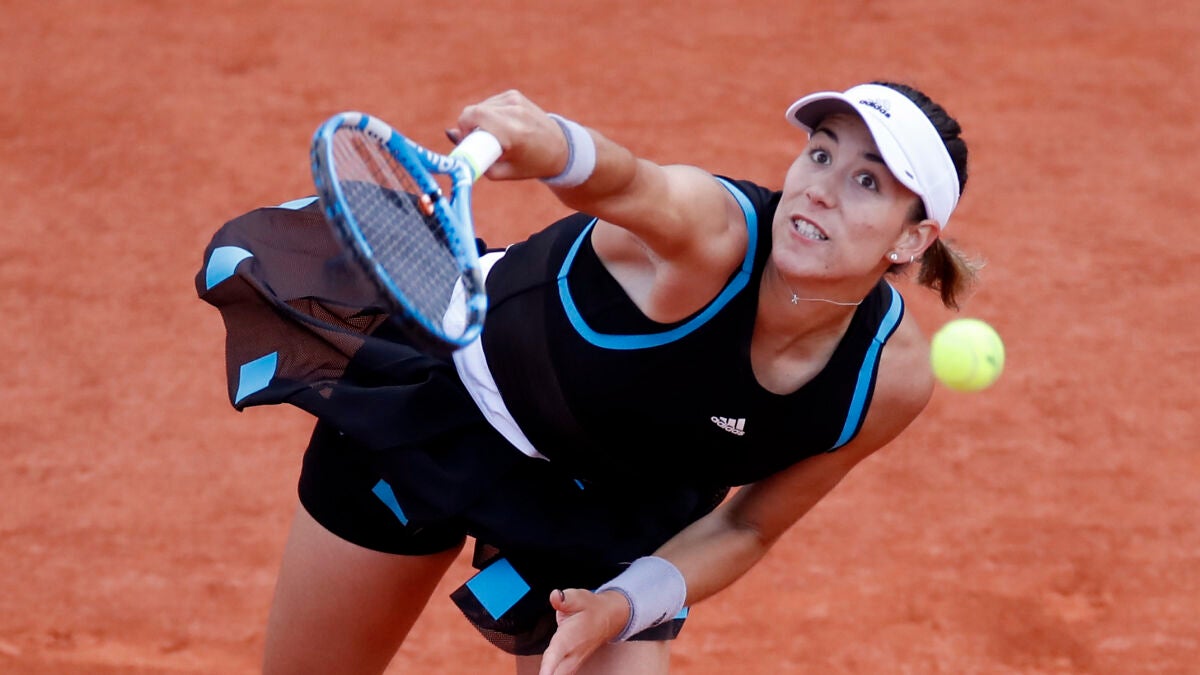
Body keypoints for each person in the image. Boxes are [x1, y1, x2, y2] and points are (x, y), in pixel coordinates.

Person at [196, 80, 978, 675]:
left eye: (868, 181)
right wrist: (550, 143)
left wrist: (619, 606)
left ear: (913, 239)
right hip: (448, 408)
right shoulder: (711, 233)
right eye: (821, 153)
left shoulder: (889, 379)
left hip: (611, 511)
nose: (820, 187)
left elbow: (748, 526)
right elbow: (629, 182)